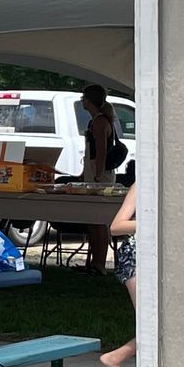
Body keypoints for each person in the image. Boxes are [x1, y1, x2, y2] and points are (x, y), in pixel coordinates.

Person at [79, 84, 124, 270]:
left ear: (90, 101)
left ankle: (99, 263)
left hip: (100, 175)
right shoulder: (97, 120)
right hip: (94, 173)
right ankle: (94, 261)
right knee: (92, 219)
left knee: (99, 220)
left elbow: (101, 152)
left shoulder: (100, 122)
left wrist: (97, 175)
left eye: (84, 98)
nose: (82, 101)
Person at [100, 183, 139, 367]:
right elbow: (116, 227)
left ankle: (115, 357)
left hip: (162, 257)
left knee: (169, 324)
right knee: (154, 324)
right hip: (136, 258)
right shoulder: (142, 185)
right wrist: (153, 221)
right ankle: (115, 358)